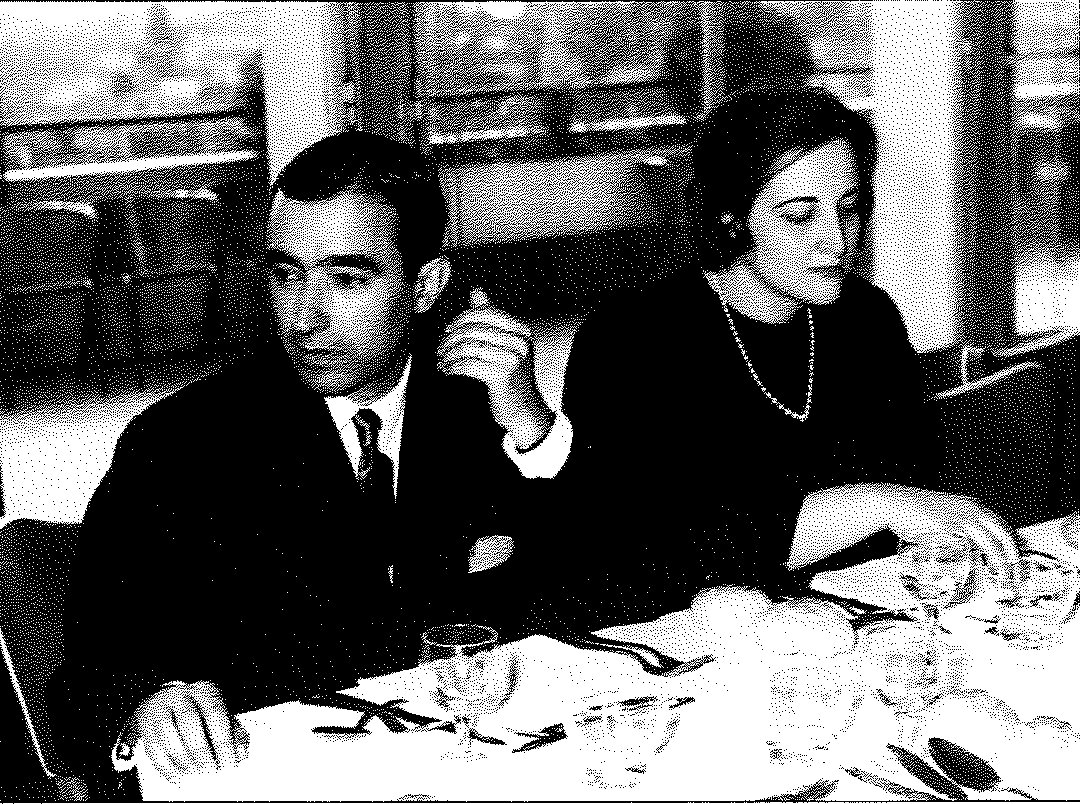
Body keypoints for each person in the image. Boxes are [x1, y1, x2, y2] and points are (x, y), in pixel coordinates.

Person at [47, 131, 568, 798]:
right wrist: (149, 704)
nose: (303, 316)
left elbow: (617, 586)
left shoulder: (476, 408)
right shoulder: (183, 442)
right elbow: (85, 683)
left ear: (426, 285)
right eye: (286, 273)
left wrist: (534, 429)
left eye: (347, 279)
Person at [555, 87, 1023, 628]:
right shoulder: (635, 336)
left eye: (849, 209)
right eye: (800, 216)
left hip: (860, 620)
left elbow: (917, 475)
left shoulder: (865, 317)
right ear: (730, 221)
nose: (837, 240)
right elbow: (639, 547)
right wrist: (876, 505)